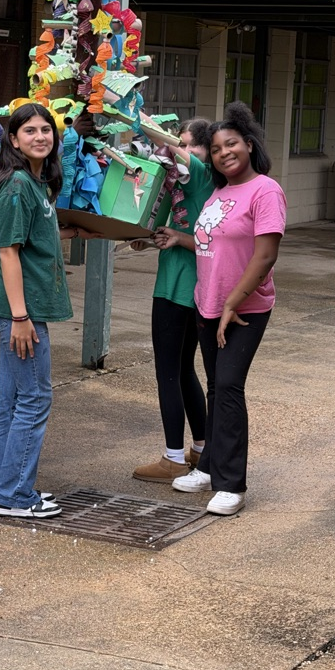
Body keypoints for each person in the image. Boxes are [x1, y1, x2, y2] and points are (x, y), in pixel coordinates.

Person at [154, 102, 286, 515]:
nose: (224, 152)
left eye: (231, 144)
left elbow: (264, 256)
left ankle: (231, 484)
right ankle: (209, 467)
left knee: (228, 388)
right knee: (214, 386)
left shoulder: (265, 190)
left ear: (249, 145)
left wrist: (232, 302)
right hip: (208, 304)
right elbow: (213, 242)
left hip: (244, 309)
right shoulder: (220, 192)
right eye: (215, 148)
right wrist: (179, 239)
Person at [0, 103, 96, 519]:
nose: (40, 137)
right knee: (33, 400)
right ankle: (14, 497)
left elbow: (32, 237)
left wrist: (71, 231)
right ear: (13, 140)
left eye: (46, 130)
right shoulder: (15, 185)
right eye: (29, 131)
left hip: (23, 310)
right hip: (20, 312)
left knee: (10, 401)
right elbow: (8, 253)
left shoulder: (34, 183)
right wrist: (19, 318)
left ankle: (3, 489)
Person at [132, 118, 215, 483]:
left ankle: (172, 458)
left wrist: (129, 109)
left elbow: (164, 142)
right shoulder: (196, 184)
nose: (177, 151)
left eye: (186, 145)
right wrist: (144, 236)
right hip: (193, 288)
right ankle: (199, 447)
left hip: (177, 288)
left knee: (167, 370)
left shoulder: (198, 173)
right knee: (182, 368)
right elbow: (179, 228)